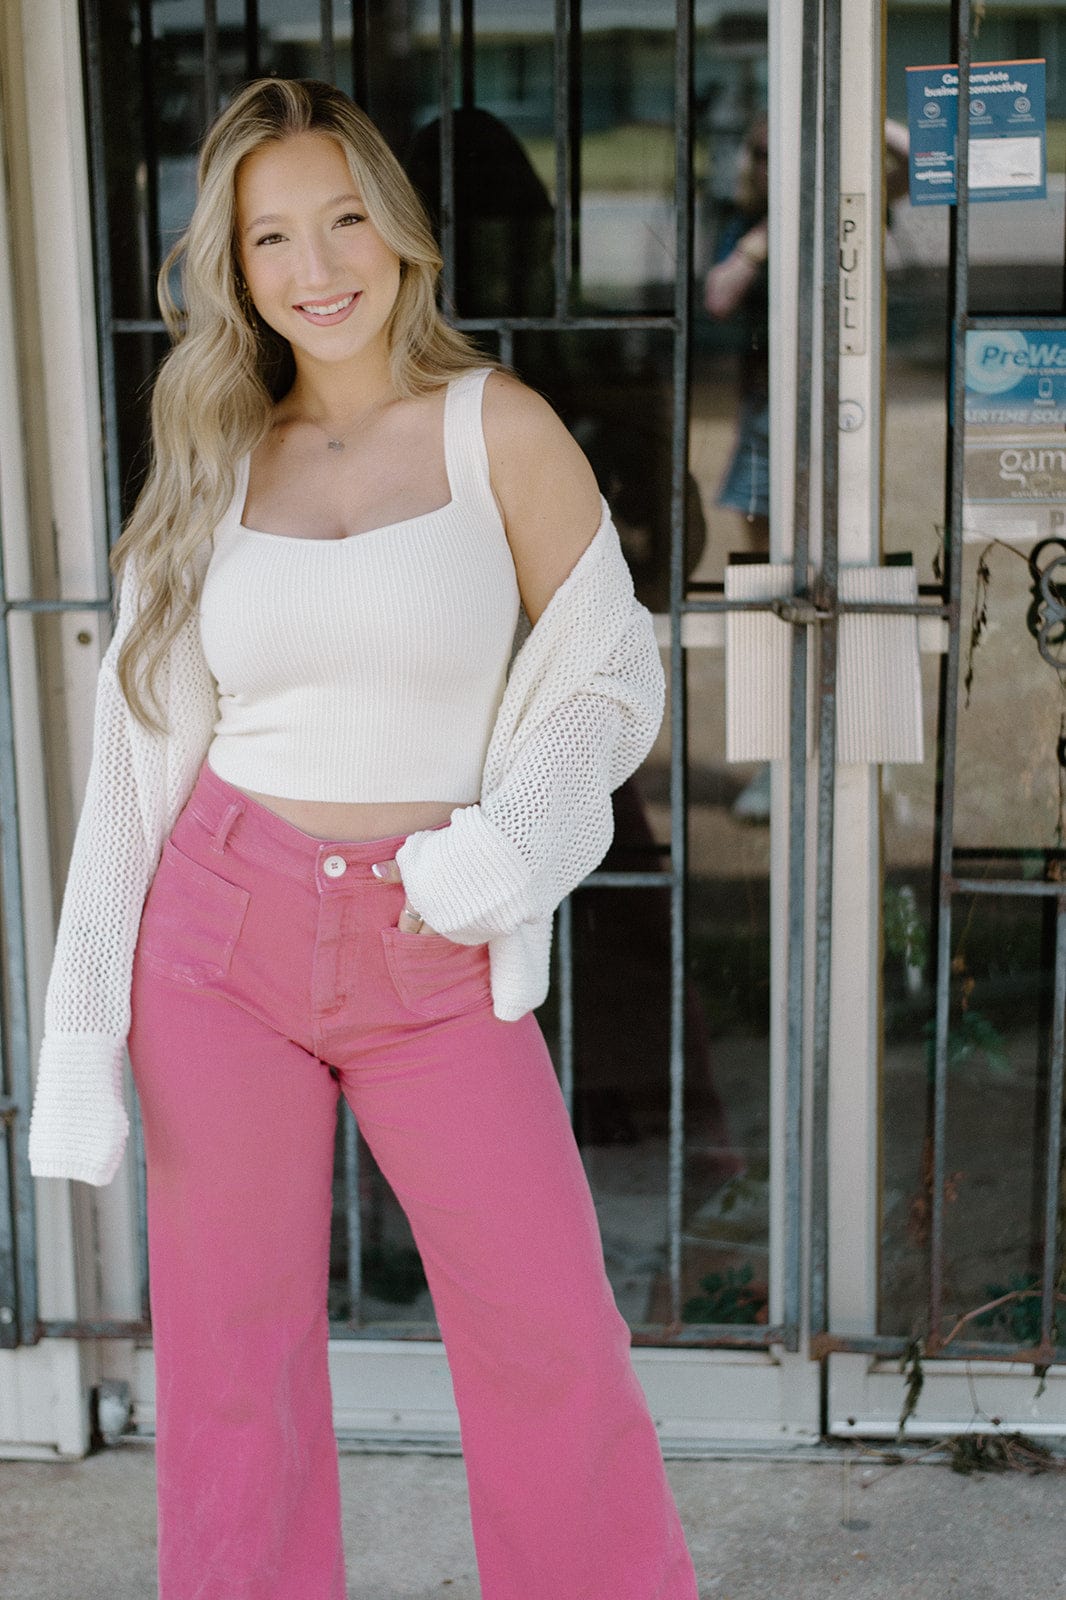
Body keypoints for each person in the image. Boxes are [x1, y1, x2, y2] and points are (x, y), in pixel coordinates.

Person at [26, 77, 698, 1600]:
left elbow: (612, 668)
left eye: (342, 218)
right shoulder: (209, 452)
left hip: (434, 942)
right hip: (220, 935)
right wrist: (81, 1023)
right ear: (235, 267)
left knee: (549, 1334)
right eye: (271, 236)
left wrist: (502, 850)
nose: (314, 264)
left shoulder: (493, 427)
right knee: (232, 1368)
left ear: (397, 232)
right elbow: (133, 773)